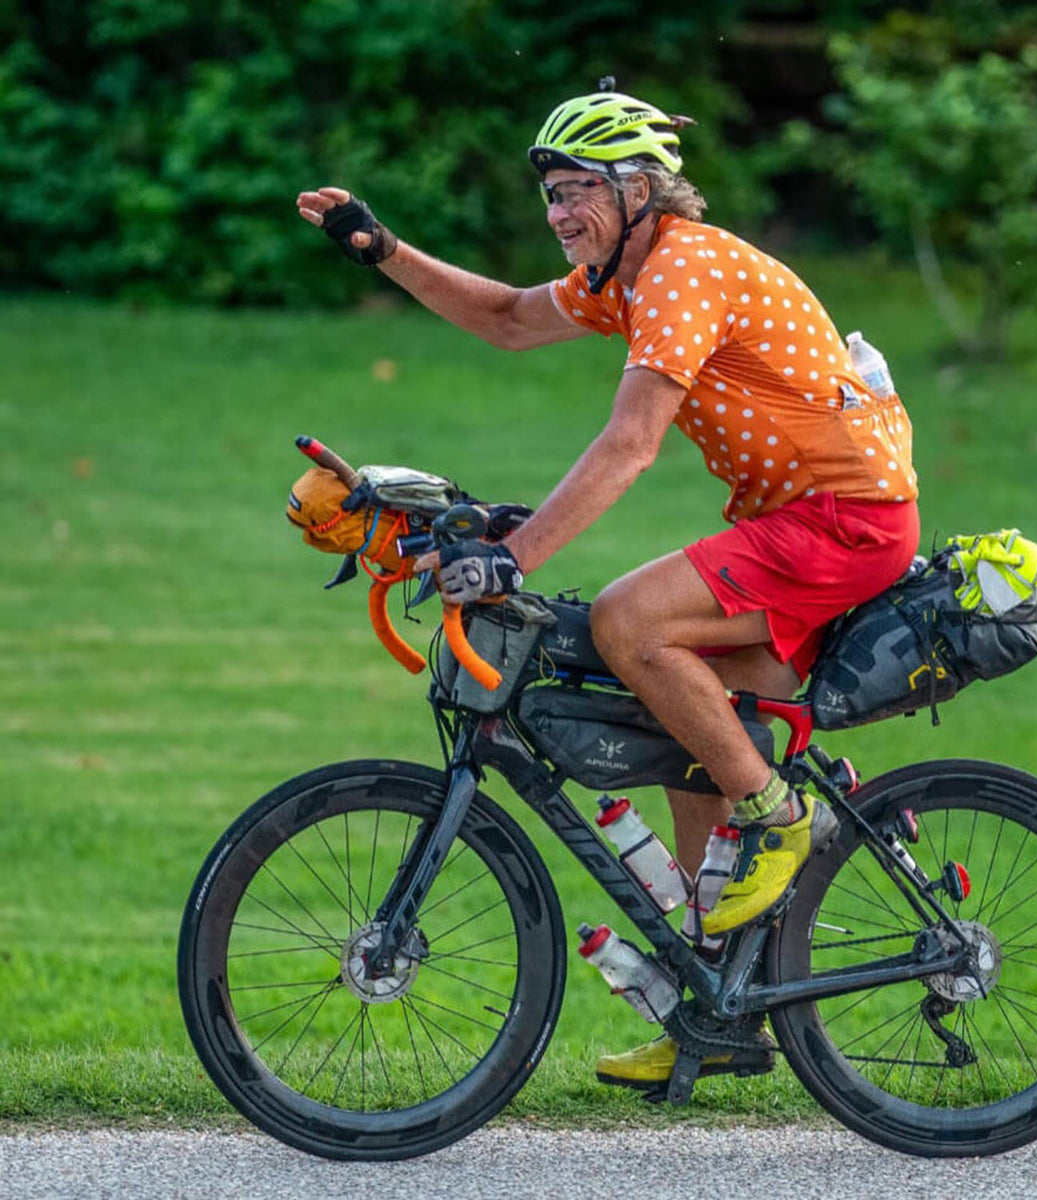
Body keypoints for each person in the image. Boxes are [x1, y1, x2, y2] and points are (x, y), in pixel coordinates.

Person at [297, 85, 920, 1089]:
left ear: (639, 190)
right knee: (676, 719)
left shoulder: (682, 268)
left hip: (843, 525)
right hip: (794, 528)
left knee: (630, 619)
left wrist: (518, 555)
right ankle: (714, 1009)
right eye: (549, 193)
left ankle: (774, 815)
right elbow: (505, 317)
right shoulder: (625, 277)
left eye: (577, 190)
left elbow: (632, 443)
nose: (556, 214)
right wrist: (385, 250)